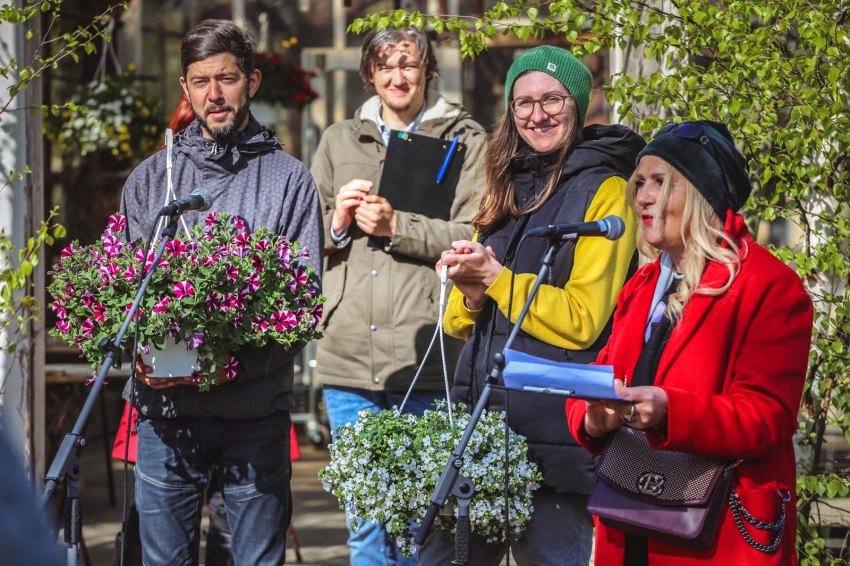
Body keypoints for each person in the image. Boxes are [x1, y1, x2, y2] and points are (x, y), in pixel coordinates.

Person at [419, 45, 644, 565]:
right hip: (482, 428)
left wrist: (496, 278)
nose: (537, 114)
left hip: (555, 440)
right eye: (524, 102)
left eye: (552, 100)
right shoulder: (504, 185)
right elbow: (457, 324)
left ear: (578, 104)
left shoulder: (608, 190)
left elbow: (584, 320)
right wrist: (472, 290)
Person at [118, 19, 322, 566]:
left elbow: (304, 305)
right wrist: (142, 356)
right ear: (184, 88)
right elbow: (125, 291)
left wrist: (227, 366)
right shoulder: (150, 180)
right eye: (201, 81)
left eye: (227, 79)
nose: (214, 94)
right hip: (166, 415)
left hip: (253, 414)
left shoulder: (289, 181)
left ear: (251, 82)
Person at [565, 120, 813, 565]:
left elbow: (767, 416)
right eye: (639, 183)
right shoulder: (642, 284)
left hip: (715, 536)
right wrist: (591, 418)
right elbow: (599, 377)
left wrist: (669, 411)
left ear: (702, 193)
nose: (642, 197)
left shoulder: (769, 285)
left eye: (660, 182)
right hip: (626, 522)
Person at [310, 27, 487, 566]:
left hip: (427, 351)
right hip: (347, 355)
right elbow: (303, 234)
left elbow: (476, 233)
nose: (398, 77)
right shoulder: (339, 139)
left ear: (428, 69)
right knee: (366, 525)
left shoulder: (465, 137)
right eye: (385, 66)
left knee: (422, 524)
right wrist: (338, 222)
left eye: (408, 64)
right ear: (369, 74)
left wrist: (397, 226)